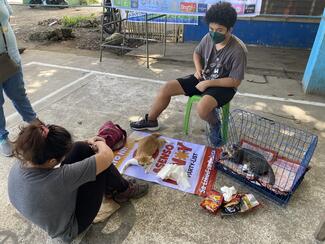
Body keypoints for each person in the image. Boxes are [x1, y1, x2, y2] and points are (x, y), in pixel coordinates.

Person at [8, 121, 148, 242]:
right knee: (97, 159)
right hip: (71, 228)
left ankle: (116, 188)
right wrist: (100, 142)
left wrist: (87, 144)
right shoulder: (59, 179)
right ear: (51, 161)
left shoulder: (23, 161)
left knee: (81, 148)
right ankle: (123, 190)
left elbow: (73, 151)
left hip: (46, 208)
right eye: (60, 157)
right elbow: (107, 156)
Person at [130, 2, 247, 147]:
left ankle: (215, 123)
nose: (214, 33)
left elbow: (235, 81)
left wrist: (208, 83)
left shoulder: (238, 50)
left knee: (202, 108)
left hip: (224, 85)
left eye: (220, 30)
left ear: (230, 29)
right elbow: (197, 53)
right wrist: (198, 70)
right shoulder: (208, 37)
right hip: (204, 76)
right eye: (211, 28)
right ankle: (151, 121)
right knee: (167, 88)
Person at [0, 0, 37, 156]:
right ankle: (2, 137)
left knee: (19, 93)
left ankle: (33, 122)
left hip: (10, 56)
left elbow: (6, 16)